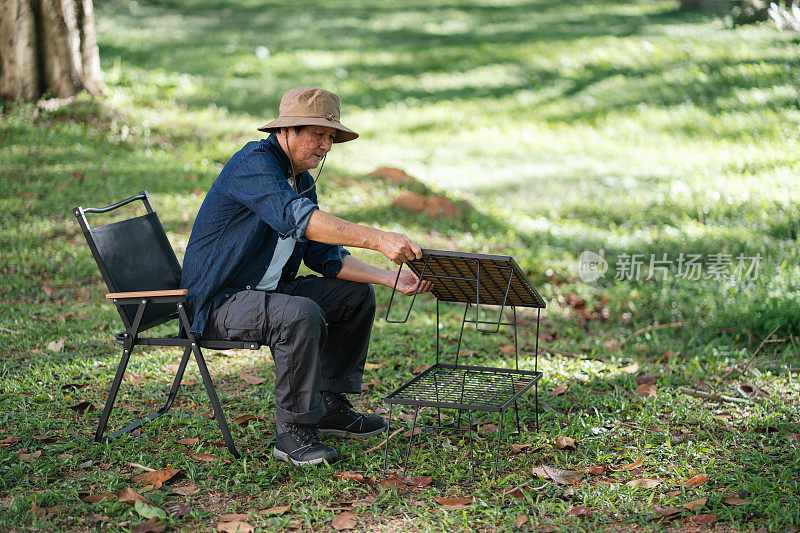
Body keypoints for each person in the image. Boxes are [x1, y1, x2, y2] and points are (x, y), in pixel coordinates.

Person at [181, 86, 432, 467]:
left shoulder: (301, 180)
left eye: (331, 137)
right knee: (299, 313)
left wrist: (389, 278)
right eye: (319, 134)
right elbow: (303, 221)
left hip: (265, 292)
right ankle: (293, 433)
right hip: (217, 303)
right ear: (287, 130)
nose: (327, 146)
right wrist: (378, 239)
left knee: (355, 295)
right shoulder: (253, 165)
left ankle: (328, 405)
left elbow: (323, 257)